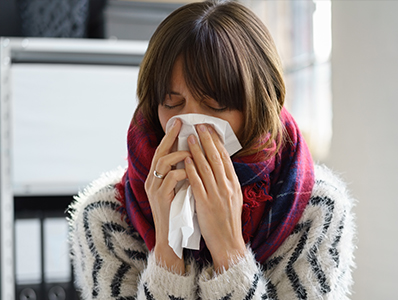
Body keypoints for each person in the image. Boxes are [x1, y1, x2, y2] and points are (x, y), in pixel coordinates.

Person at [68, 1, 356, 299]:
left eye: (215, 105)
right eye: (172, 103)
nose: (192, 126)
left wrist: (229, 251)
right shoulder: (104, 216)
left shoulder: (316, 210)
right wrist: (166, 251)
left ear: (258, 105)